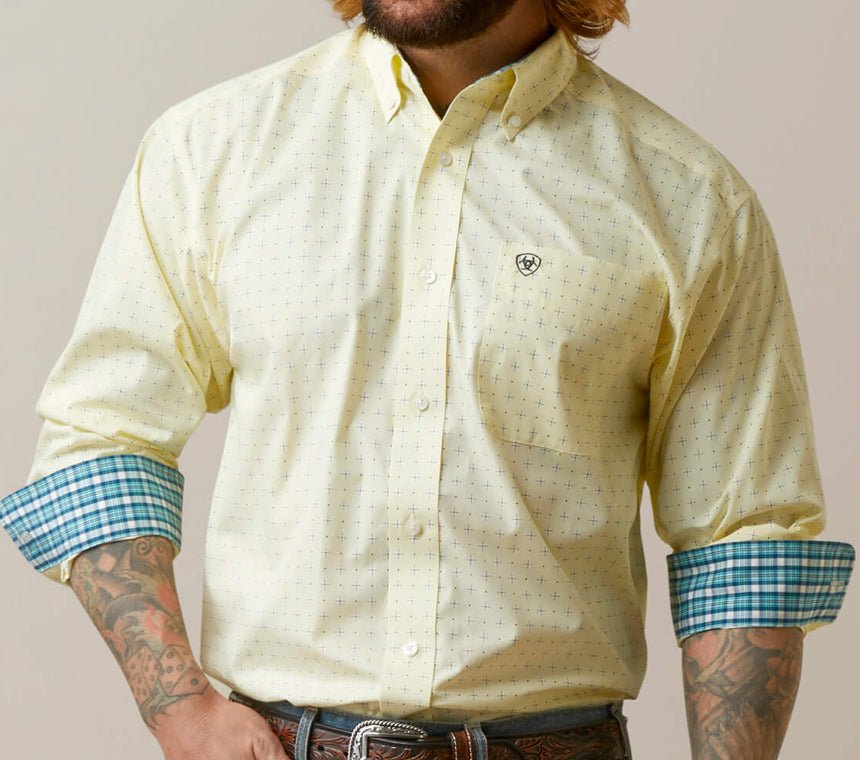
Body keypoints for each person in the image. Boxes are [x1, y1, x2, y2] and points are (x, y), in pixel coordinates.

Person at [0, 1, 854, 758]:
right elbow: (102, 436)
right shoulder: (215, 148)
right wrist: (178, 705)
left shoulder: (690, 201)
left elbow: (744, 536)